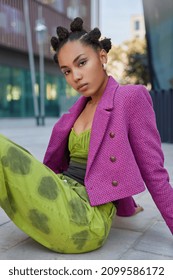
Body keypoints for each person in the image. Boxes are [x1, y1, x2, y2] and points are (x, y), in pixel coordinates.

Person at [0, 17, 173, 254]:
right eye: (67, 71)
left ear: (102, 56)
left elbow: (154, 172)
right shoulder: (74, 113)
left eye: (82, 63)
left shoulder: (130, 98)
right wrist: (128, 205)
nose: (76, 77)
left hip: (84, 217)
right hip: (60, 193)